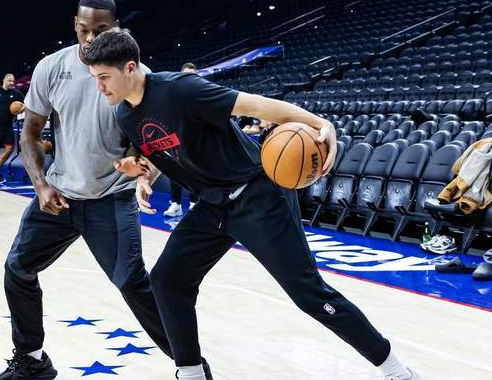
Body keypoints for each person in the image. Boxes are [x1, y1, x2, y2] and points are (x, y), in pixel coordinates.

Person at [86, 29, 419, 380]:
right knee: (168, 280)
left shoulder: (181, 89)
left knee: (308, 294)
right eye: (95, 78)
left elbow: (256, 105)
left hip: (258, 197)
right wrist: (143, 176)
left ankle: (397, 371)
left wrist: (319, 123)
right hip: (213, 205)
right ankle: (191, 373)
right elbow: (164, 150)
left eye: (104, 77)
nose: (99, 87)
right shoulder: (125, 115)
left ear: (130, 68)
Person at [0, 0, 174, 380]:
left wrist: (142, 170)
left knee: (131, 283)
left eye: (100, 30)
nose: (90, 38)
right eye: (83, 30)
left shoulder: (133, 72)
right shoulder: (52, 67)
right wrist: (41, 186)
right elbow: (30, 133)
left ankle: (189, 364)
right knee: (18, 269)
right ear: (75, 25)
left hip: (111, 198)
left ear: (116, 27)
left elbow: (148, 141)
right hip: (59, 195)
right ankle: (32, 361)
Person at [164, 62, 199, 217]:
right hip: (176, 139)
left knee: (195, 173)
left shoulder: (201, 95)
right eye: (186, 75)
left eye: (192, 76)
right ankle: (176, 204)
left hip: (196, 141)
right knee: (175, 171)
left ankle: (194, 204)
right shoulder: (172, 96)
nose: (189, 79)